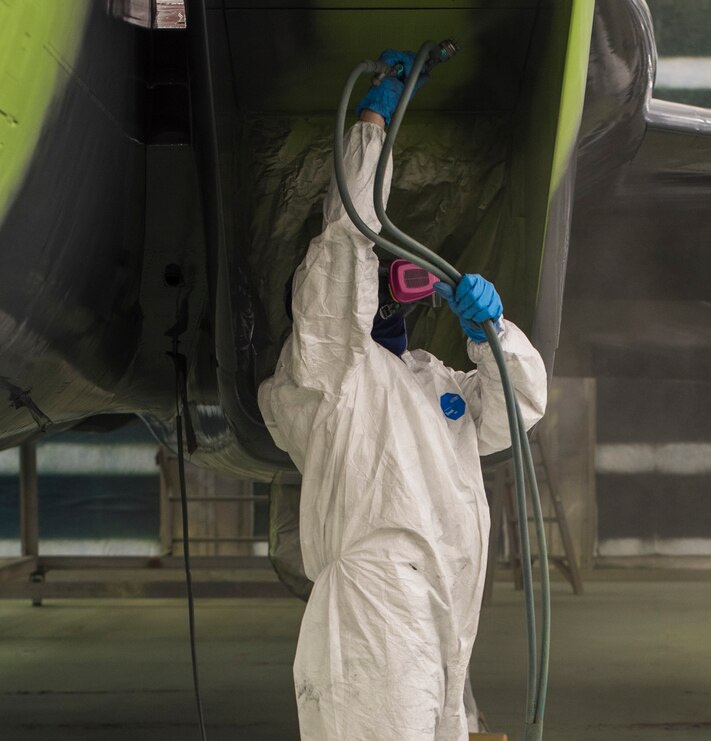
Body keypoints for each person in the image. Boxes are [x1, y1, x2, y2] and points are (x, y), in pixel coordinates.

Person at [258, 49, 549, 741]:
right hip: (375, 614)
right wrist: (370, 131)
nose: (392, 292)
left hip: (444, 609)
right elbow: (344, 244)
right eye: (381, 281)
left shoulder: (431, 381)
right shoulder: (332, 379)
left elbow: (520, 407)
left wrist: (493, 332)